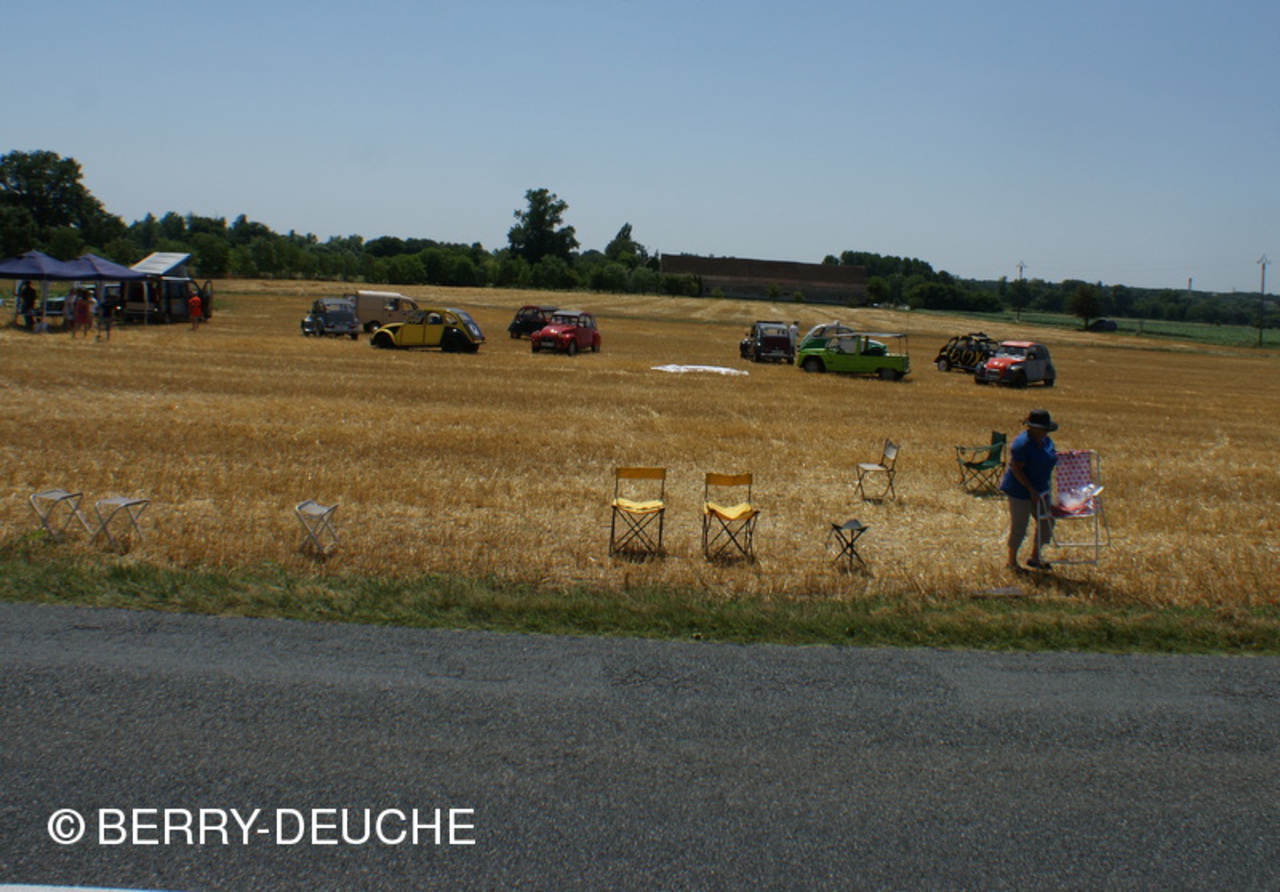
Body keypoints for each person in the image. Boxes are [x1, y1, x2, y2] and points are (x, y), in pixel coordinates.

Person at [1000, 408, 1058, 572]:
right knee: (1019, 526)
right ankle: (1012, 561)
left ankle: (1035, 557)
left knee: (1047, 521)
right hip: (1020, 491)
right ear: (1032, 428)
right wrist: (1030, 490)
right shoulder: (1022, 444)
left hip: (1041, 489)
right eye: (1043, 429)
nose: (1045, 432)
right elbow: (1016, 468)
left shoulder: (1046, 441)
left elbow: (1051, 457)